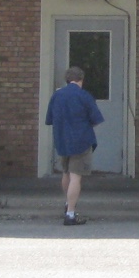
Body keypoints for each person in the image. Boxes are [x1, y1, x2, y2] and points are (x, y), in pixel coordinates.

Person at [45, 65, 103, 226]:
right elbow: (96, 119)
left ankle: (67, 203)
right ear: (81, 79)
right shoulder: (84, 96)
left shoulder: (57, 96)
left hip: (62, 140)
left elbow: (49, 119)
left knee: (66, 174)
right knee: (76, 177)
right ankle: (70, 213)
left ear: (67, 79)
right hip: (81, 141)